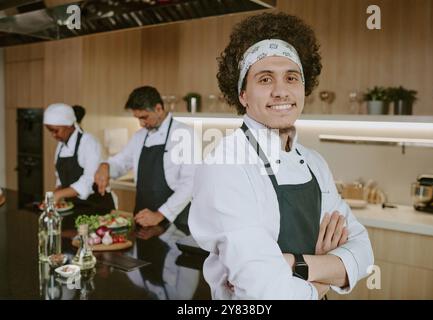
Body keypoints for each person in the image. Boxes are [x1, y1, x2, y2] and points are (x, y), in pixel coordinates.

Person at [188, 12, 374, 300]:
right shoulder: (225, 165)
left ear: (304, 86)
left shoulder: (314, 163)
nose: (281, 91)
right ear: (243, 95)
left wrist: (291, 263)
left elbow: (363, 252)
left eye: (291, 77)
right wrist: (323, 273)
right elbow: (264, 291)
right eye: (264, 79)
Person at [95, 86, 195, 231]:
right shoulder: (139, 136)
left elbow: (190, 184)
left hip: (175, 224)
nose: (141, 123)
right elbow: (121, 162)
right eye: (138, 118)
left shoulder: (184, 134)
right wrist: (105, 166)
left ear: (159, 109)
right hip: (143, 220)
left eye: (144, 117)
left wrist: (160, 214)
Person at [43, 103, 115, 213]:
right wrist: (55, 194)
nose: (53, 135)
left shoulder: (88, 142)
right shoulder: (61, 145)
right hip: (73, 207)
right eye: (50, 131)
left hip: (96, 207)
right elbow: (61, 177)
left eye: (56, 130)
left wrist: (58, 195)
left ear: (68, 125)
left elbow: (88, 181)